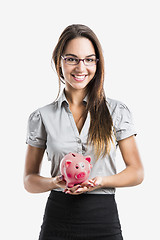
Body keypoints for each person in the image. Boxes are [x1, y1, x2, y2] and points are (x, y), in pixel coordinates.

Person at [24, 24, 144, 240]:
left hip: (103, 220)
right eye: (72, 59)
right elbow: (29, 180)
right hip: (58, 220)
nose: (81, 67)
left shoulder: (116, 111)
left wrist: (101, 181)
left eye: (89, 59)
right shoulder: (41, 116)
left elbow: (136, 172)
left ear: (97, 63)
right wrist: (54, 182)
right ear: (59, 61)